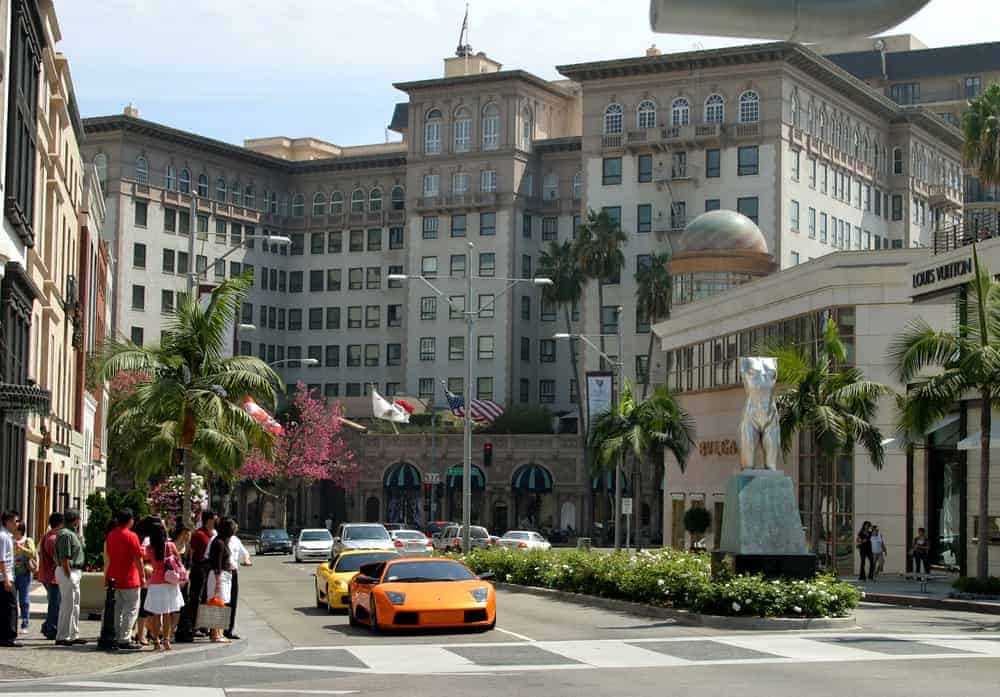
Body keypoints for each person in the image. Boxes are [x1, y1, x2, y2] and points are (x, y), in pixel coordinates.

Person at [104, 509, 145, 651]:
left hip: (113, 576)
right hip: (129, 577)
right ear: (130, 521)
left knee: (117, 609)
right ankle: (124, 638)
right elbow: (138, 558)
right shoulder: (131, 536)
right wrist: (143, 576)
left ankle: (115, 635)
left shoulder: (111, 535)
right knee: (131, 609)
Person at [175, 510, 217, 643]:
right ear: (208, 520)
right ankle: (193, 625)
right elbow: (191, 552)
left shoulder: (214, 534)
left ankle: (203, 625)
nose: (216, 521)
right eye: (214, 519)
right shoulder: (199, 534)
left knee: (206, 597)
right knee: (196, 598)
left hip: (209, 569)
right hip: (199, 569)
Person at [144, 518, 185, 651]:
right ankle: (166, 641)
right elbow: (178, 560)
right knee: (167, 614)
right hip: (170, 583)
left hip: (156, 583)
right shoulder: (170, 545)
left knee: (156, 614)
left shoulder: (150, 548)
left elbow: (145, 558)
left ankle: (156, 641)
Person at [55, 509, 86, 646]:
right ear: (76, 520)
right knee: (68, 605)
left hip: (73, 571)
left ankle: (73, 634)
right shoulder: (66, 534)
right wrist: (69, 576)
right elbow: (65, 558)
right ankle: (62, 636)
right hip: (68, 571)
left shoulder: (71, 534)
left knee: (74, 605)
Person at [206, 517, 235, 644]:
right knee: (217, 604)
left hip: (224, 576)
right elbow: (216, 564)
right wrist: (218, 583)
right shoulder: (218, 542)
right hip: (219, 576)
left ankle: (219, 632)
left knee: (221, 603)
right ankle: (215, 633)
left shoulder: (223, 541)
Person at [36, 512, 64, 640]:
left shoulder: (47, 536)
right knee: (55, 604)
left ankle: (47, 626)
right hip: (52, 577)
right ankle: (51, 628)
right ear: (60, 524)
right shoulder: (53, 539)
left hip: (47, 575)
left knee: (54, 603)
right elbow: (57, 559)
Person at [225, 521, 252, 640]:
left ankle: (229, 630)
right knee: (222, 602)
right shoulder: (218, 540)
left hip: (233, 572)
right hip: (222, 572)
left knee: (232, 602)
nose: (235, 529)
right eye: (233, 528)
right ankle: (217, 630)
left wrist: (246, 560)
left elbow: (245, 553)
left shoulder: (236, 540)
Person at [0, 510, 21, 647]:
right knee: (11, 606)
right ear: (8, 522)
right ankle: (9, 636)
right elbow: (1, 559)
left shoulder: (7, 536)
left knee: (5, 607)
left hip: (6, 575)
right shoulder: (4, 536)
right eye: (15, 521)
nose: (17, 524)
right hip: (4, 577)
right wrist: (6, 579)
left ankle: (4, 635)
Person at [13, 523, 37, 633]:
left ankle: (25, 623)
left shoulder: (27, 540)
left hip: (24, 575)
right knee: (11, 601)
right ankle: (12, 624)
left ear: (20, 530)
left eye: (15, 528)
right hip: (11, 575)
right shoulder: (9, 539)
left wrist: (21, 547)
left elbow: (32, 553)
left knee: (24, 601)